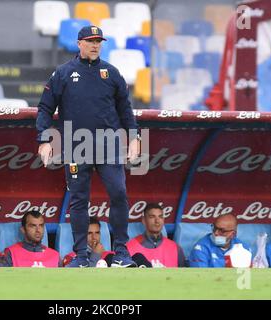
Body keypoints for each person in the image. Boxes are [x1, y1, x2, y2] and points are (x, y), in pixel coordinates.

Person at [36, 25, 141, 268]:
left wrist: (134, 137)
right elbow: (45, 108)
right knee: (79, 200)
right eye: (91, 41)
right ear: (79, 43)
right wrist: (44, 140)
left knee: (119, 193)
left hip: (108, 144)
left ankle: (121, 254)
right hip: (76, 144)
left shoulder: (111, 73)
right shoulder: (63, 73)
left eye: (99, 41)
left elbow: (126, 109)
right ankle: (81, 256)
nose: (95, 45)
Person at [127, 203, 186, 267]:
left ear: (163, 220)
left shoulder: (176, 248)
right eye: (152, 217)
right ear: (144, 220)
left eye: (160, 217)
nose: (157, 221)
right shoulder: (129, 248)